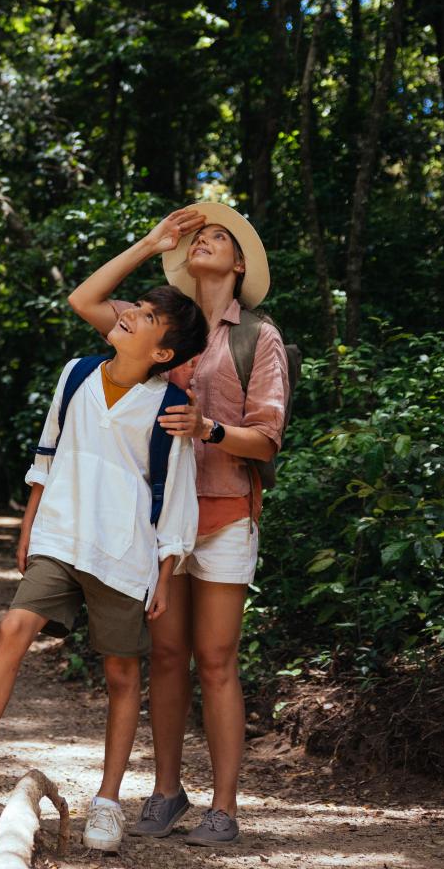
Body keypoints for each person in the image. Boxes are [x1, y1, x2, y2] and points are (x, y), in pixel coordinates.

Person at [0, 285, 207, 853]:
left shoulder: (170, 409)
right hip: (60, 536)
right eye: (134, 308)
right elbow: (47, 454)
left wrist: (166, 573)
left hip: (123, 553)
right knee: (10, 631)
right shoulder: (76, 374)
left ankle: (107, 800)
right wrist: (30, 527)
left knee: (121, 674)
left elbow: (175, 497)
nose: (127, 315)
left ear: (163, 352)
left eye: (145, 317)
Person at [67, 203, 289, 846]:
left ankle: (225, 806)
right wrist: (148, 242)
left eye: (220, 237)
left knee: (216, 660)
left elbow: (268, 439)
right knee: (165, 655)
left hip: (222, 514)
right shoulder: (168, 323)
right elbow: (86, 302)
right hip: (156, 515)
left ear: (239, 263)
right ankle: (167, 790)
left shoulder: (257, 337)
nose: (205, 242)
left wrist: (210, 428)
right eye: (198, 236)